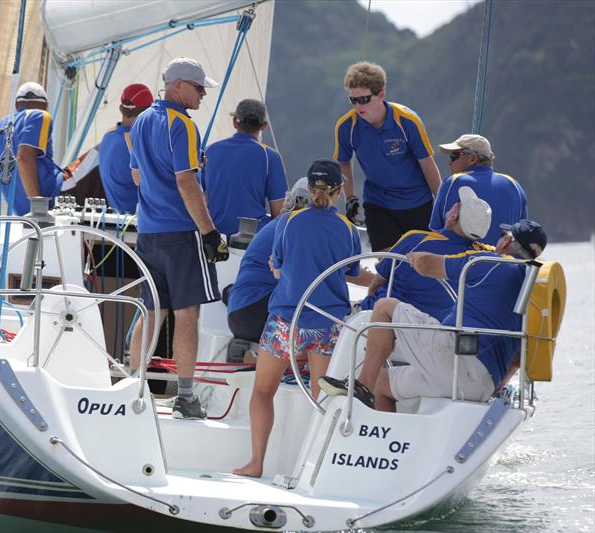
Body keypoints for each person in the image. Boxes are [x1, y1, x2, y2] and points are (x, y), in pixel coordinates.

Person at [233, 159, 373, 478]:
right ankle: (311, 469)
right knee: (320, 397)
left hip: (287, 321)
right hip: (326, 324)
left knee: (263, 391)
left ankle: (256, 463)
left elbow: (278, 266)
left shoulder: (287, 222)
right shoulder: (348, 230)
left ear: (309, 190)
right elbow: (352, 273)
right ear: (339, 192)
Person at [321, 219, 547, 412]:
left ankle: (363, 387)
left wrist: (413, 255)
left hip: (451, 358)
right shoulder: (531, 293)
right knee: (385, 384)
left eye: (502, 236)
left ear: (507, 241)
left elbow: (426, 265)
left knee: (384, 306)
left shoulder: (486, 263)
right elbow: (518, 359)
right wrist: (496, 387)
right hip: (481, 386)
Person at [127, 57, 227, 420]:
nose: (203, 95)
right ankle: (185, 397)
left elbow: (137, 178)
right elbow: (187, 182)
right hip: (181, 233)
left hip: (148, 233)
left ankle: (132, 387)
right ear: (180, 86)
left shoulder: (138, 122)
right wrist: (210, 233)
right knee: (188, 315)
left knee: (151, 313)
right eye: (200, 88)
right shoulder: (182, 124)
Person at [333, 61, 442, 252]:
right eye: (353, 100)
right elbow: (343, 163)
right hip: (378, 202)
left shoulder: (407, 121)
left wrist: (442, 202)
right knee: (386, 264)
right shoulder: (346, 126)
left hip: (418, 202)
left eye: (364, 99)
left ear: (381, 95)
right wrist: (350, 198)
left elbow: (427, 163)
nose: (358, 106)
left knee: (419, 264)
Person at [361, 186, 492, 321]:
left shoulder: (415, 239)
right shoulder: (481, 257)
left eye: (457, 203)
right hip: (435, 328)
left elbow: (377, 283)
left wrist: (367, 301)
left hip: (386, 319)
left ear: (454, 216)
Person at [0, 82, 62, 216]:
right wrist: (38, 210)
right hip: (55, 199)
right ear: (46, 105)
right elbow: (24, 158)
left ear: (17, 105)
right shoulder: (40, 115)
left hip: (20, 214)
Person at [227, 178, 311, 342]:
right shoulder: (297, 230)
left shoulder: (281, 224)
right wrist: (375, 280)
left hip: (241, 312)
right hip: (253, 315)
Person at [202, 99, 288, 237]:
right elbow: (279, 214)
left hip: (214, 236)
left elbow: (202, 199)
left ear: (235, 122)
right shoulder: (270, 156)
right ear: (264, 125)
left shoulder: (209, 151)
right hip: (253, 238)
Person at [430, 134, 528, 246]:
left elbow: (436, 231)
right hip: (505, 261)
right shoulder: (514, 184)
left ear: (472, 159)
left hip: (465, 261)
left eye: (454, 156)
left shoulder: (454, 181)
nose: (449, 162)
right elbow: (524, 234)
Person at [98, 83, 154, 213]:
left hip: (117, 220)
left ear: (121, 108)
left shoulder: (108, 137)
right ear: (146, 113)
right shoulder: (135, 142)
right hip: (137, 221)